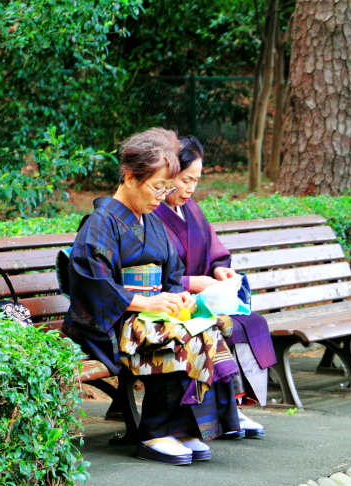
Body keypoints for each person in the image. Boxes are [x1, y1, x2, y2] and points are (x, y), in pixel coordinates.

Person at [62, 128, 241, 465]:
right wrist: (146, 303)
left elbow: (172, 275)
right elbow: (91, 282)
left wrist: (179, 298)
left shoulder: (151, 222)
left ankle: (184, 427)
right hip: (109, 322)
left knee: (208, 325)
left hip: (146, 312)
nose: (162, 196)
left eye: (166, 188)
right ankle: (153, 432)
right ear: (130, 177)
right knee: (177, 335)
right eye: (157, 186)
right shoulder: (101, 222)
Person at [154, 136, 276, 439]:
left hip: (203, 297)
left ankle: (234, 405)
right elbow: (147, 274)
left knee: (250, 322)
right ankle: (221, 413)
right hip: (170, 301)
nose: (191, 188)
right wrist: (190, 283)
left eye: (196, 180)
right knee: (216, 327)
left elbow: (214, 251)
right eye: (185, 180)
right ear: (168, 173)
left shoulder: (192, 210)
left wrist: (220, 268)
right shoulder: (151, 211)